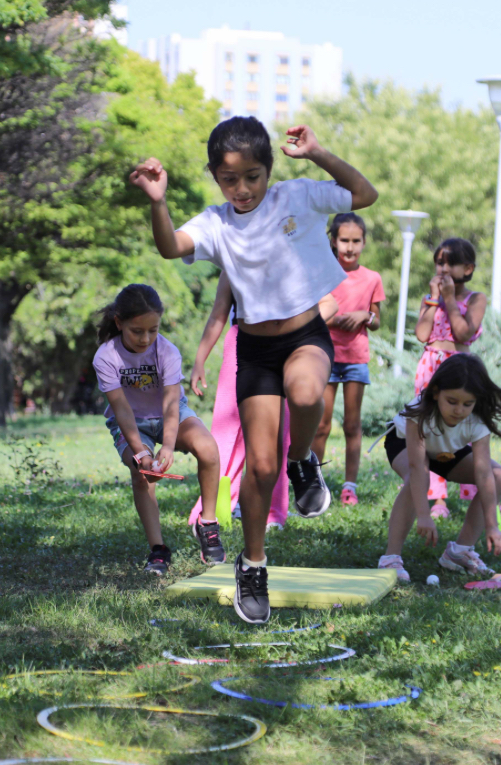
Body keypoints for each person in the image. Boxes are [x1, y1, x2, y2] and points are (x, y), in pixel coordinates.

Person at [130, 116, 377, 623]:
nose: (242, 189)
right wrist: (158, 201)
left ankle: (303, 458)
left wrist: (319, 153)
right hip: (256, 352)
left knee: (307, 395)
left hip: (306, 335)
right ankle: (253, 564)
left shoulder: (297, 196)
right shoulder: (217, 223)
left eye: (253, 177)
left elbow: (364, 194)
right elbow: (169, 246)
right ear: (216, 178)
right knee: (261, 468)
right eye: (229, 180)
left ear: (268, 170)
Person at [189, 274, 341, 532]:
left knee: (276, 434)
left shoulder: (289, 254)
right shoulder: (232, 259)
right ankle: (212, 508)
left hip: (284, 347)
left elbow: (329, 303)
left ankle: (273, 511)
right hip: (241, 343)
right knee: (224, 430)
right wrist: (200, 359)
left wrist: (299, 330)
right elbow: (218, 315)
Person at [92, 284, 225, 575]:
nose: (146, 338)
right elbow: (122, 409)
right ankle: (158, 549)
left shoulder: (167, 351)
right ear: (119, 323)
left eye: (153, 330)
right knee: (143, 477)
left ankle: (208, 524)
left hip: (171, 414)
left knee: (209, 449)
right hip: (131, 421)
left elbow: (171, 404)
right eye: (137, 331)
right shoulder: (106, 357)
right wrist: (141, 453)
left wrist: (167, 445)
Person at [378, 354, 501, 583]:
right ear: (436, 393)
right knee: (419, 479)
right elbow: (417, 467)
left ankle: (459, 552)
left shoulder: (477, 419)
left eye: (467, 404)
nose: (459, 410)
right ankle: (390, 558)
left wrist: (492, 525)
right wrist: (424, 515)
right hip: (405, 443)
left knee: (498, 476)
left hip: (446, 448)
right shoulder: (420, 412)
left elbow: (483, 473)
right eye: (452, 401)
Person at [312, 212, 385, 506]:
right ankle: (313, 482)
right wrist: (335, 319)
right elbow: (312, 314)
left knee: (353, 425)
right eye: (344, 240)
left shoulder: (372, 279)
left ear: (364, 243)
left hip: (356, 359)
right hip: (325, 356)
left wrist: (365, 316)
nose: (350, 247)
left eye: (356, 241)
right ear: (333, 241)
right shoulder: (322, 273)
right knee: (321, 424)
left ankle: (349, 487)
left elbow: (377, 319)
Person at [413, 238, 488, 519]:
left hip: (460, 368)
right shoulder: (430, 299)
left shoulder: (475, 299)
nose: (442, 268)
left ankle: (475, 490)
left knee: (464, 428)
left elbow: (464, 333)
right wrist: (434, 299)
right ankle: (438, 499)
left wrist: (449, 301)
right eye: (439, 261)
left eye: (450, 262)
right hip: (431, 368)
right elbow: (422, 334)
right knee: (430, 430)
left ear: (468, 268)